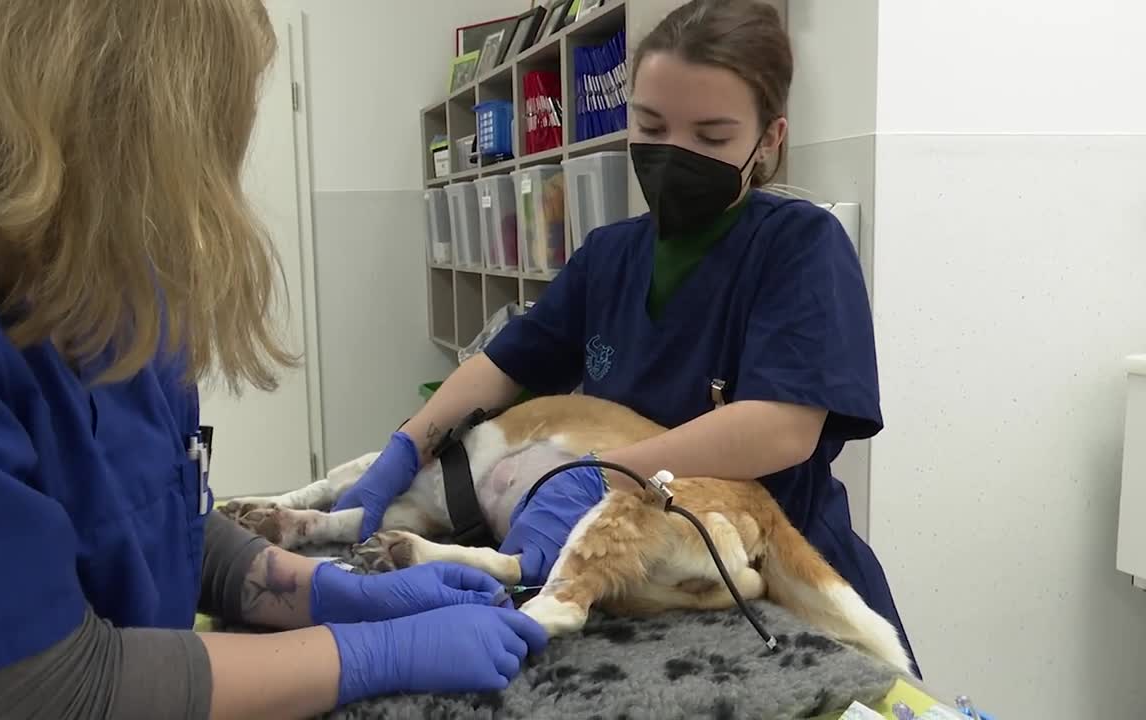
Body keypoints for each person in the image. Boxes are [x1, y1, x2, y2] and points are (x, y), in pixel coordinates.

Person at [0, 1, 547, 718]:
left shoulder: (100, 257)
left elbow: (164, 513)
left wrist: (329, 592)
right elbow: (48, 689)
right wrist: (370, 656)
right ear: (110, 115)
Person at [336, 0, 921, 678]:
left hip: (765, 573)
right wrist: (407, 446)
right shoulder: (609, 254)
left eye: (711, 135)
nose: (675, 154)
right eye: (651, 124)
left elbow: (780, 430)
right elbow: (502, 365)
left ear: (770, 139)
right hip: (631, 569)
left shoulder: (800, 246)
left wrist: (605, 475)